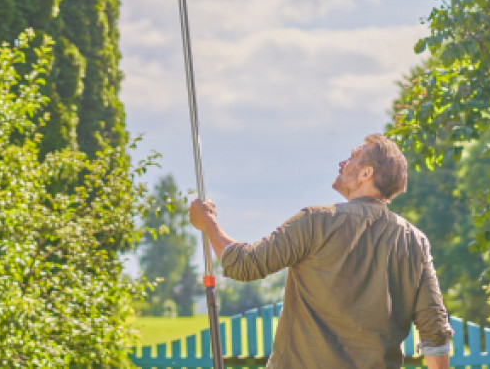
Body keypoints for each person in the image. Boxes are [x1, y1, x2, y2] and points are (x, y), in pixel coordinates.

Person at [189, 134, 453, 369]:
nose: (343, 163)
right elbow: (436, 333)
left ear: (366, 174)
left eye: (353, 158)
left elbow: (244, 264)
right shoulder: (413, 241)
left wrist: (208, 222)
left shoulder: (316, 222)